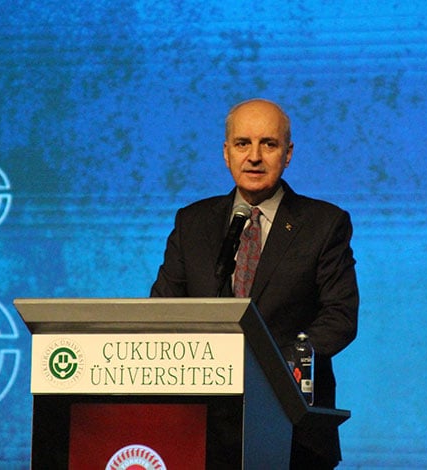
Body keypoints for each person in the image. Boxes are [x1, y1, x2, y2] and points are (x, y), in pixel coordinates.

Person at [151, 98, 359, 468]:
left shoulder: (324, 224)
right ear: (226, 153)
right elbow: (163, 311)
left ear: (288, 154)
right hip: (201, 427)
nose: (255, 157)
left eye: (269, 144)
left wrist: (272, 367)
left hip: (293, 429)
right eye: (243, 143)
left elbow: (340, 317)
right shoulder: (192, 223)